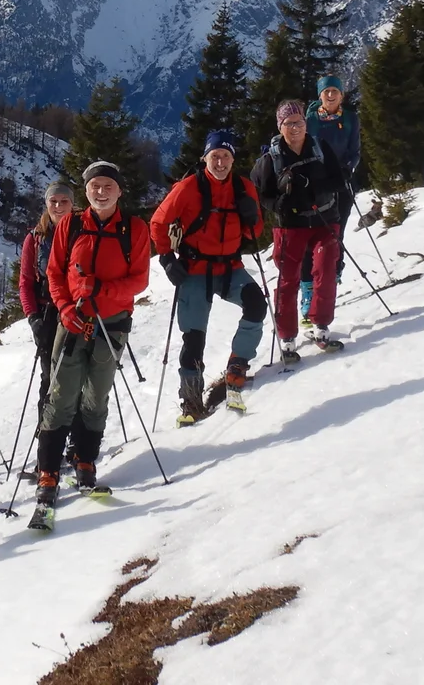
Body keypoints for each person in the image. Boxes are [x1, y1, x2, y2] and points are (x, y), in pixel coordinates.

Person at [31, 160, 152, 530]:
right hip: (73, 323)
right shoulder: (71, 224)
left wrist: (102, 289)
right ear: (86, 191)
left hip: (111, 325)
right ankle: (49, 472)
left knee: (96, 396)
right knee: (60, 396)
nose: (100, 192)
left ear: (119, 190)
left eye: (107, 186)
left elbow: (140, 280)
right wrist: (66, 308)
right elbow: (55, 273)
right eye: (94, 186)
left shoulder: (134, 229)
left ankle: (85, 461)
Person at [149, 129, 266, 424]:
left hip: (230, 267)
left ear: (232, 160)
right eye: (215, 156)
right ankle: (191, 400)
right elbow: (158, 222)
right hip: (195, 269)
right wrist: (166, 258)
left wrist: (251, 217)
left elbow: (256, 232)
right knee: (194, 340)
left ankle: (237, 364)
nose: (221, 162)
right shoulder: (188, 187)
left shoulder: (244, 188)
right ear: (205, 158)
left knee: (256, 303)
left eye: (226, 156)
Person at [252, 100, 347, 363]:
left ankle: (321, 324)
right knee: (287, 280)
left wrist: (316, 187)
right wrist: (280, 202)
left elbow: (340, 180)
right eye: (289, 123)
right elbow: (263, 194)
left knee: (326, 271)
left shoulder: (319, 147)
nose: (295, 128)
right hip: (290, 225)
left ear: (306, 123)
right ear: (280, 127)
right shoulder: (270, 158)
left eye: (299, 122)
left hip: (325, 219)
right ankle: (287, 336)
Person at [17, 181, 84, 473]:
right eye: (53, 201)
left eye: (63, 202)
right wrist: (32, 317)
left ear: (72, 204)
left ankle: (74, 442)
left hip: (79, 311)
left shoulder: (84, 229)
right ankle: (48, 439)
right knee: (50, 378)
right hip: (47, 314)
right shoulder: (35, 238)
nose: (58, 207)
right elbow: (26, 283)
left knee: (78, 375)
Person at [300, 75, 360, 318]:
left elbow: (355, 150)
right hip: (316, 184)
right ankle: (309, 289)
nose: (331, 95)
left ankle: (333, 276)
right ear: (320, 95)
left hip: (342, 183)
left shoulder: (350, 119)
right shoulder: (310, 119)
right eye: (327, 92)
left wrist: (346, 168)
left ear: (342, 95)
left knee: (337, 232)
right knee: (310, 235)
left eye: (335, 90)